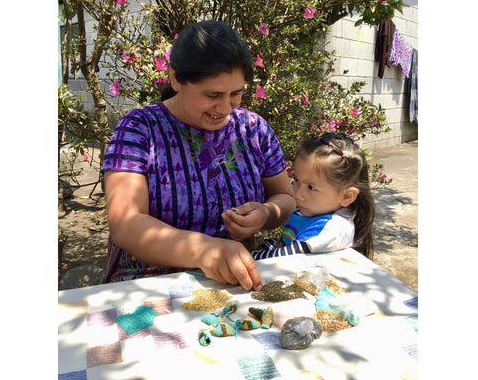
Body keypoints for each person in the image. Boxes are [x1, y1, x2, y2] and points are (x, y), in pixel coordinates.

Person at [101, 20, 295, 291]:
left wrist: (265, 213)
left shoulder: (253, 129)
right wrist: (205, 249)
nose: (225, 107)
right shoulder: (139, 130)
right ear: (175, 78)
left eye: (236, 94)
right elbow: (126, 224)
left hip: (234, 284)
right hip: (151, 286)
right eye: (212, 94)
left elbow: (285, 198)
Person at [251, 132, 375, 260]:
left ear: (347, 196)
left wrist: (251, 256)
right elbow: (285, 241)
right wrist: (265, 246)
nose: (298, 194)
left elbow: (284, 255)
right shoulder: (311, 212)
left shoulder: (332, 228)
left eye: (311, 187)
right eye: (297, 181)